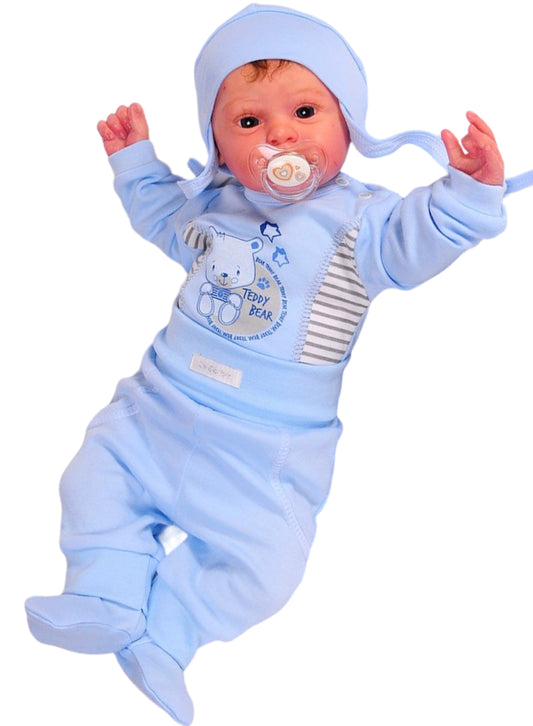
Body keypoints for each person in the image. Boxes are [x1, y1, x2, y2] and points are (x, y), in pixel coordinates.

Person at [24, 4, 530, 724]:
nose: (280, 135)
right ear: (218, 143)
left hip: (267, 447)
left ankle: (167, 633)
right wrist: (134, 160)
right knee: (93, 478)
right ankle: (103, 593)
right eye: (248, 121)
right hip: (156, 405)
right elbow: (160, 214)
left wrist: (470, 190)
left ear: (349, 121)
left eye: (304, 111)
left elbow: (424, 238)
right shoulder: (211, 206)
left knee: (267, 568)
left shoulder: (366, 223)